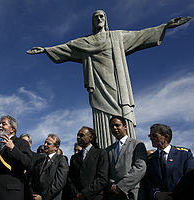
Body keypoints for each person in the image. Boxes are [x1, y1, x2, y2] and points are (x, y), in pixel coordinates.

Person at [27, 10, 191, 148]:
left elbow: (141, 35)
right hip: (98, 86)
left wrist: (165, 26)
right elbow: (67, 47)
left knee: (121, 114)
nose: (99, 19)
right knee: (101, 119)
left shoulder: (117, 37)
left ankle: (126, 152)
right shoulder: (86, 42)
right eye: (96, 17)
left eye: (102, 17)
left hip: (118, 86)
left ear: (106, 20)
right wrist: (46, 50)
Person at [146, 124, 194, 200]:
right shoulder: (150, 160)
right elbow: (148, 181)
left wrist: (174, 195)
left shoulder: (184, 155)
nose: (151, 138)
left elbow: (190, 177)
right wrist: (156, 194)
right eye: (150, 136)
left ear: (166, 137)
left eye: (154, 135)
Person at [106, 116, 147, 200]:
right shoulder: (108, 150)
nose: (114, 128)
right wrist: (113, 186)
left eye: (117, 125)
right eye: (112, 126)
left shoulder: (137, 144)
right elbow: (107, 172)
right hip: (114, 194)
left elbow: (140, 168)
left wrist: (121, 186)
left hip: (132, 192)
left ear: (125, 126)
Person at [0, 115, 33, 200]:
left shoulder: (21, 143)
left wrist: (13, 149)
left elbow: (28, 163)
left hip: (11, 192)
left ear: (12, 129)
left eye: (3, 124)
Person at [67, 126, 108, 200]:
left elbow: (102, 178)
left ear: (91, 138)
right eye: (77, 135)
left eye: (81, 135)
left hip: (94, 197)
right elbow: (70, 179)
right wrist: (76, 194)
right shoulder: (74, 158)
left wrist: (85, 194)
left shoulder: (101, 153)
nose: (78, 137)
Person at [31, 134, 69, 200]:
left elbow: (59, 183)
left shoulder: (61, 160)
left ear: (56, 147)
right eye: (45, 142)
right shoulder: (39, 161)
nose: (45, 145)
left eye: (48, 143)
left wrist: (43, 197)